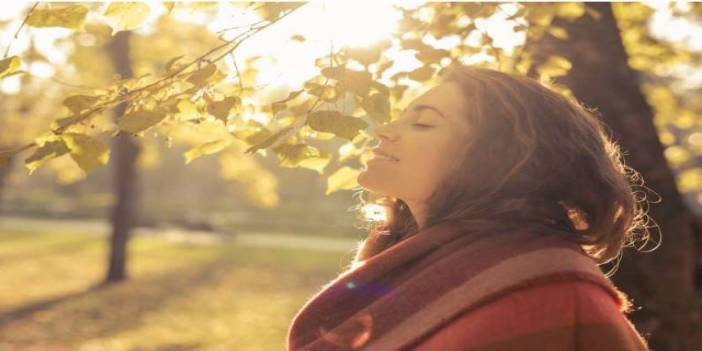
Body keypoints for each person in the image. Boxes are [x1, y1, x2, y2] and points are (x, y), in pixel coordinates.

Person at [287, 66, 652, 350]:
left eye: (423, 123)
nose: (384, 130)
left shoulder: (548, 295)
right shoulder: (397, 267)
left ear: (496, 157)